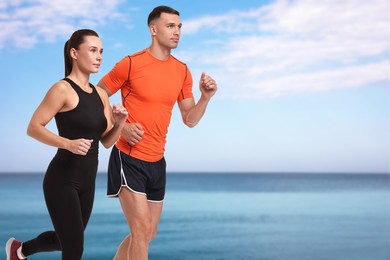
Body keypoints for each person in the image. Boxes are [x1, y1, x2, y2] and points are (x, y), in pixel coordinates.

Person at [97, 5, 218, 260]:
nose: (177, 32)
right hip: (128, 158)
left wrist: (205, 98)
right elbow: (98, 95)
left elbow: (190, 119)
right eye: (170, 26)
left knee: (147, 232)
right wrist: (121, 127)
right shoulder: (130, 64)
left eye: (179, 27)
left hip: (156, 161)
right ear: (153, 29)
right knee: (140, 231)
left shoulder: (182, 70)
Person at [5, 29, 128, 260]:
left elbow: (106, 141)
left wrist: (119, 124)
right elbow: (33, 127)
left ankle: (19, 250)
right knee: (74, 248)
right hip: (62, 179)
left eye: (101, 51)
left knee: (65, 241)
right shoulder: (62, 89)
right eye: (92, 50)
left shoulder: (101, 94)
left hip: (87, 182)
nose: (99, 56)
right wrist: (68, 144)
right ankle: (19, 251)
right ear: (74, 52)